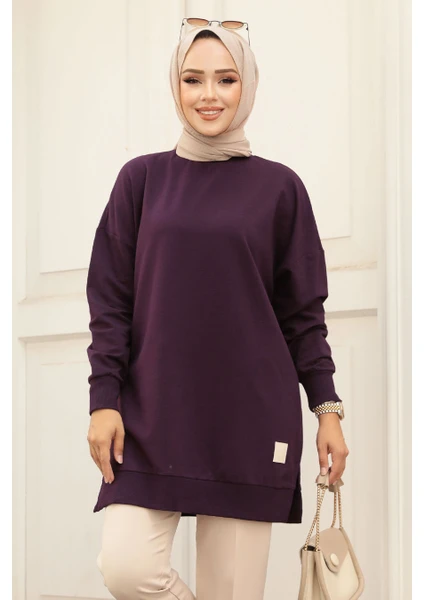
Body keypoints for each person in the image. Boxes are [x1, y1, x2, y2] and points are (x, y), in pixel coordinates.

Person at [86, 19, 349, 600]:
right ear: (175, 86)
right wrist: (103, 399)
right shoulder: (142, 180)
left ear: (247, 85)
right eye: (193, 79)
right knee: (127, 567)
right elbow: (110, 301)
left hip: (249, 418)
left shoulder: (280, 188)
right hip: (151, 413)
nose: (209, 94)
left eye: (226, 79)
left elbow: (303, 316)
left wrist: (327, 409)